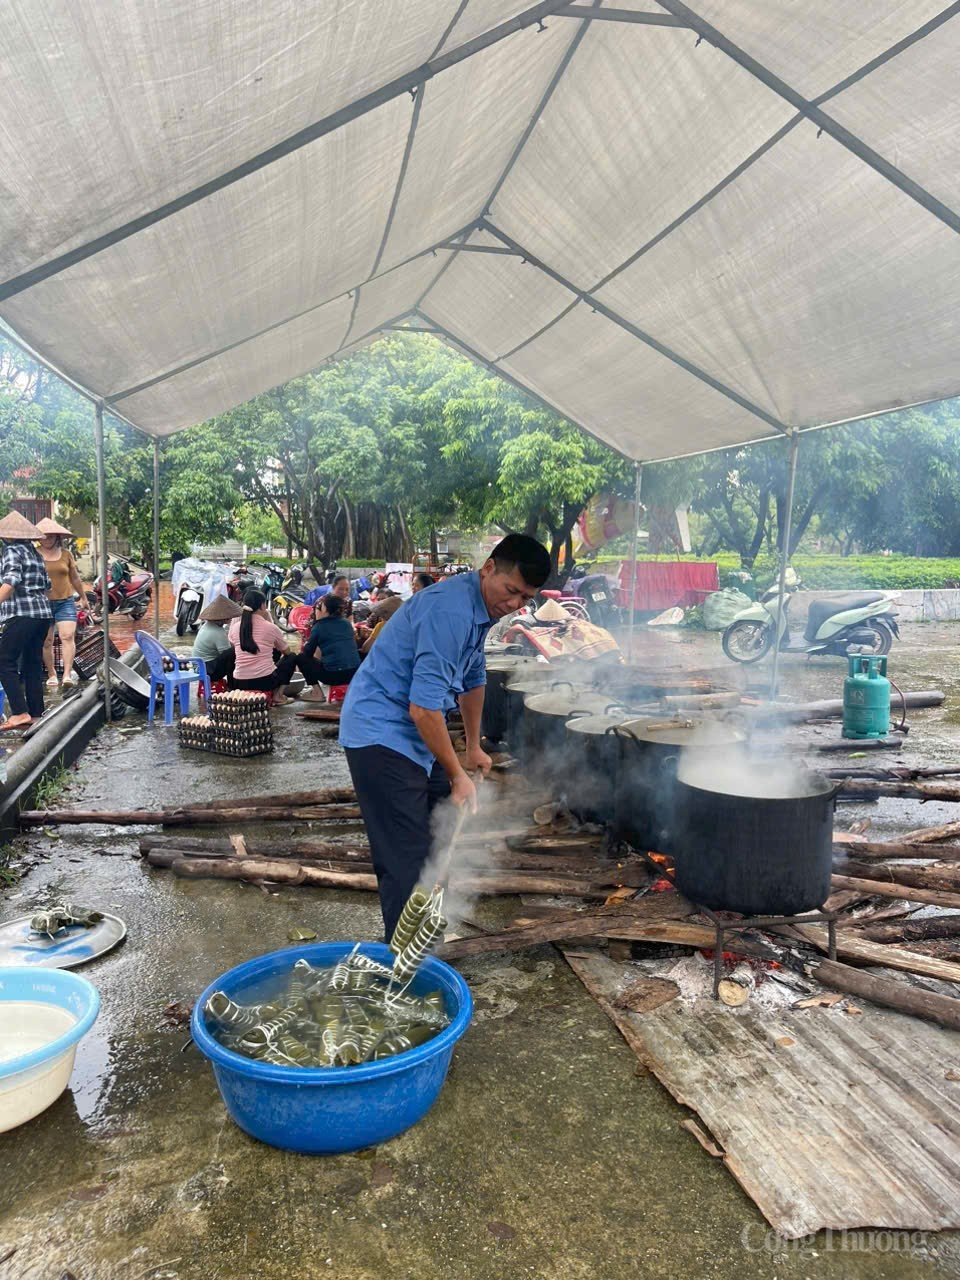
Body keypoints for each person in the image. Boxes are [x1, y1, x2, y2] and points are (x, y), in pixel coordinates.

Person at [340, 533, 550, 939]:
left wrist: (473, 748)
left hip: (414, 733)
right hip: (379, 730)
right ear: (489, 568)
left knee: (444, 825)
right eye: (511, 591)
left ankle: (431, 932)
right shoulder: (450, 611)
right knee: (406, 853)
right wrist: (457, 774)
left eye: (525, 598)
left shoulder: (481, 608)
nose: (514, 605)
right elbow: (423, 708)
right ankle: (406, 955)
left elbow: (473, 679)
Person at [0, 510, 53, 731]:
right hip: (42, 615)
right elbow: (48, 585)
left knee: (4, 661)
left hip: (21, 614)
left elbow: (11, 581)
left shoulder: (11, 551)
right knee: (32, 663)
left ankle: (19, 713)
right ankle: (36, 714)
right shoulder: (35, 553)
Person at [227, 589, 300, 705]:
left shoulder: (235, 627)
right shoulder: (271, 628)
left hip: (239, 681)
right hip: (264, 681)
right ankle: (278, 696)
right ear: (262, 606)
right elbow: (286, 651)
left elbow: (232, 645)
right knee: (291, 657)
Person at [36, 517, 85, 689]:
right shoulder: (34, 554)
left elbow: (75, 578)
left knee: (67, 636)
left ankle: (66, 674)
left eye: (51, 535)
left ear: (58, 537)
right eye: (44, 536)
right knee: (47, 641)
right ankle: (51, 674)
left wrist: (84, 597)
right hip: (42, 603)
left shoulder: (66, 554)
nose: (48, 539)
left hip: (65, 601)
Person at [298, 595, 360, 702]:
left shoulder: (319, 626)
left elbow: (308, 652)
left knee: (301, 658)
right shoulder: (346, 623)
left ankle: (317, 693)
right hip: (354, 673)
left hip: (333, 676)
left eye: (320, 607)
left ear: (325, 609)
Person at [191, 593, 242, 682]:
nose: (231, 618)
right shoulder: (218, 632)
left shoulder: (207, 625)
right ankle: (232, 684)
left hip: (199, 666)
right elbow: (227, 653)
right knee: (232, 653)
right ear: (224, 618)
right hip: (206, 670)